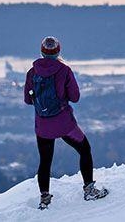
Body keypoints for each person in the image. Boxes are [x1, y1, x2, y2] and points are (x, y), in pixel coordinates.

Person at [24, 36, 108, 209]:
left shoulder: (32, 72)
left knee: (45, 161)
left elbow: (27, 99)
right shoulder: (64, 70)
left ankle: (45, 199)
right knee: (85, 149)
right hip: (64, 123)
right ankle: (89, 190)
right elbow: (75, 97)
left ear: (41, 52)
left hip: (43, 126)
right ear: (58, 51)